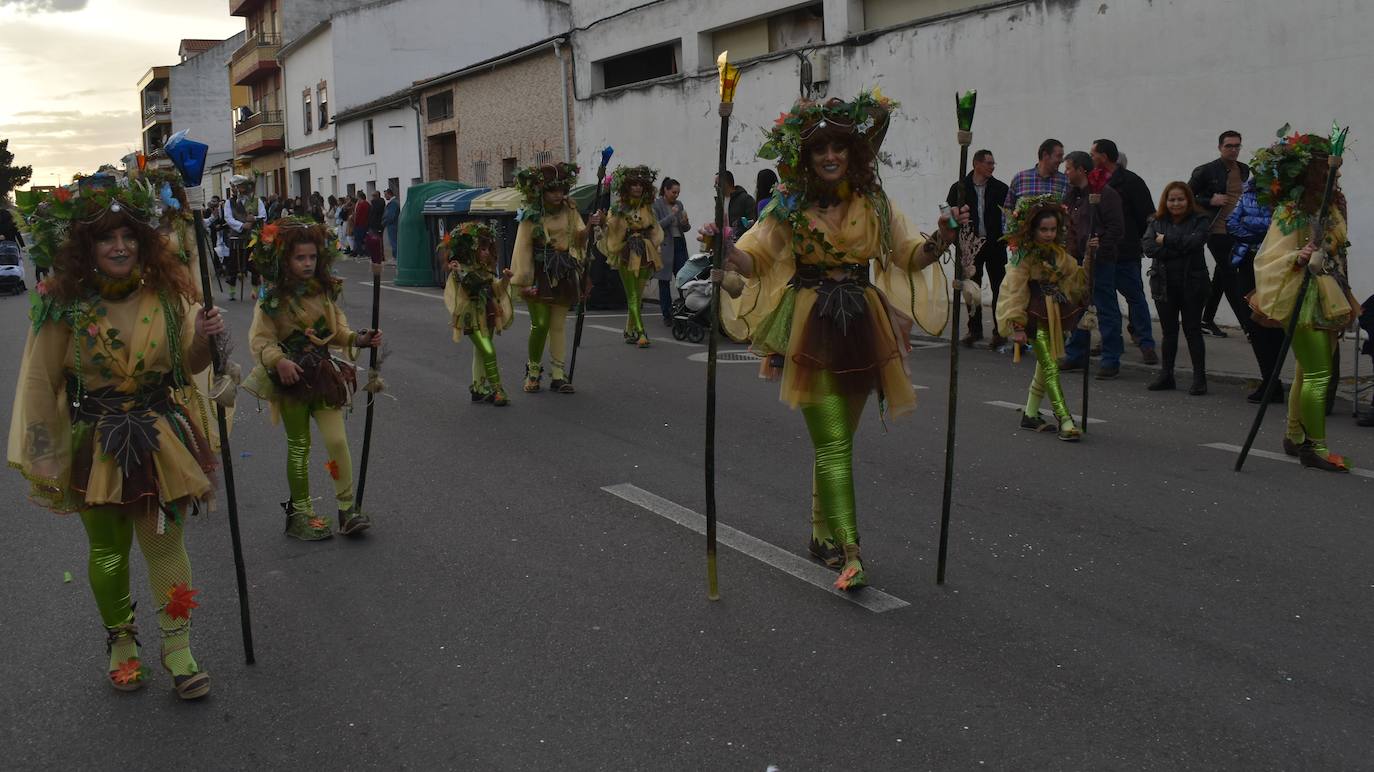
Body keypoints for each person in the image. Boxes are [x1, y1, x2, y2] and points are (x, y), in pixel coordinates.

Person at [710, 91, 962, 591]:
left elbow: (910, 256)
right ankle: (851, 552)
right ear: (806, 156)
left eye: (839, 148)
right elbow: (753, 259)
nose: (830, 157)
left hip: (862, 325)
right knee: (832, 446)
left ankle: (820, 535)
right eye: (820, 149)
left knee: (838, 443)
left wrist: (943, 240)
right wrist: (724, 249)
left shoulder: (873, 204)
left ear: (853, 153)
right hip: (810, 325)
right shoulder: (788, 208)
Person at [9, 173, 223, 699]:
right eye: (107, 237)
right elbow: (41, 380)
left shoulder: (167, 295)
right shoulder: (64, 306)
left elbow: (184, 369)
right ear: (88, 246)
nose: (120, 246)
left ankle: (177, 646)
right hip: (95, 443)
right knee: (108, 552)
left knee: (165, 544)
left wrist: (205, 340)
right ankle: (122, 643)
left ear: (144, 241)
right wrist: (45, 458)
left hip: (159, 436)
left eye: (128, 235)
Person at [242, 217, 383, 537]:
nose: (307, 263)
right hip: (291, 381)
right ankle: (300, 514)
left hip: (322, 375)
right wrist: (279, 362)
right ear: (284, 260)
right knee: (299, 446)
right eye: (299, 257)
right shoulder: (272, 299)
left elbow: (338, 331)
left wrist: (358, 339)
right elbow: (261, 340)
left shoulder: (324, 293)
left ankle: (347, 508)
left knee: (336, 440)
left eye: (311, 257)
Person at [1248, 128, 1359, 472]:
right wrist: (1298, 256)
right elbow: (1268, 258)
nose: (1336, 172)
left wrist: (1346, 291)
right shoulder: (1291, 209)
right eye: (1329, 167)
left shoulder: (1334, 203)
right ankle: (1317, 448)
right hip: (1302, 296)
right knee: (1319, 375)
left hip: (1330, 295)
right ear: (1314, 170)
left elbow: (1340, 253)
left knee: (1306, 370)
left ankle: (1295, 435)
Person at [996, 195, 1089, 440]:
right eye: (1043, 229)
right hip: (1034, 316)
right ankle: (1065, 420)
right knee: (1050, 367)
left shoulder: (1059, 253)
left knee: (1047, 364)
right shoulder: (1023, 257)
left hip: (1056, 316)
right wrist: (1016, 324)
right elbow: (1013, 290)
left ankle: (1030, 414)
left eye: (1052, 229)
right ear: (1032, 229)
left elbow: (1075, 277)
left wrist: (1090, 258)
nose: (1048, 234)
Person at [512, 162, 593, 393]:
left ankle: (558, 374)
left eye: (561, 190)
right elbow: (522, 248)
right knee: (540, 325)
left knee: (558, 325)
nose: (558, 195)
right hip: (538, 273)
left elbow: (578, 238)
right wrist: (524, 282)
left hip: (564, 271)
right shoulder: (531, 214)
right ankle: (534, 370)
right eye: (552, 190)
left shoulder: (570, 209)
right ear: (541, 191)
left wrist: (590, 225)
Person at [1059, 151, 1126, 379]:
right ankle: (1076, 353)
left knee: (1105, 309)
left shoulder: (1105, 195)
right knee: (1077, 307)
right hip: (1076, 261)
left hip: (1101, 261)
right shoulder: (1071, 195)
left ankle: (1111, 358)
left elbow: (1117, 228)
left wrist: (1100, 246)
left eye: (1068, 168)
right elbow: (1068, 225)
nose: (1065, 172)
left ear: (1080, 169)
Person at [1141, 182, 1212, 394]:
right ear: (1166, 201)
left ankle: (1200, 379)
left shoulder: (1200, 219)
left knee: (1193, 331)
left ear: (1188, 200)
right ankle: (1166, 375)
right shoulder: (1156, 220)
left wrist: (1167, 241)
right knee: (1169, 332)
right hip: (1164, 284)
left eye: (1180, 199)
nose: (1176, 203)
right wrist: (1178, 247)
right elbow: (1149, 247)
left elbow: (1196, 243)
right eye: (1172, 199)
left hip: (1193, 284)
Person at [1092, 139, 1157, 364]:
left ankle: (1146, 343)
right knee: (1105, 302)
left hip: (1126, 252)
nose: (1091, 159)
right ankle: (1108, 341)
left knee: (1135, 298)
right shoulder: (1094, 183)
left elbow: (1147, 216)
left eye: (1094, 154)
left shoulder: (1131, 182)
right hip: (1101, 253)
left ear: (1104, 156)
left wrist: (1137, 242)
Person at [442, 221, 514, 406]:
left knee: (481, 352)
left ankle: (478, 388)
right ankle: (498, 389)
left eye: (489, 248)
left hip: (488, 314)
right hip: (471, 317)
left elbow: (496, 290)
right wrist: (460, 272)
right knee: (488, 350)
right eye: (483, 249)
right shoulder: (459, 270)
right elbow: (470, 285)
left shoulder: (486, 270)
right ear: (471, 250)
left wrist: (505, 279)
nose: (487, 252)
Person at [1227, 178, 1285, 402]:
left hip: (1274, 265)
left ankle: (1273, 380)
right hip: (1247, 262)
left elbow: (1279, 230)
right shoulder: (1248, 193)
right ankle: (1270, 381)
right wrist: (1257, 236)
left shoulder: (1285, 199)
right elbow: (1232, 222)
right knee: (1253, 323)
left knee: (1273, 323)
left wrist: (1257, 231)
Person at [1189, 131, 1251, 338]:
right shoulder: (1206, 171)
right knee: (1231, 276)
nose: (1233, 150)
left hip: (1238, 230)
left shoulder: (1243, 169)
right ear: (1220, 147)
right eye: (1229, 146)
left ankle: (1206, 319)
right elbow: (1186, 195)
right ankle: (1249, 327)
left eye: (1237, 146)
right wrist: (1209, 201)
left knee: (1222, 276)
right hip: (1216, 230)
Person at [946, 148, 1009, 348]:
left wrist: (1005, 239)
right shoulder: (959, 188)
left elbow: (1007, 215)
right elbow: (949, 214)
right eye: (989, 163)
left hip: (994, 245)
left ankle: (1000, 330)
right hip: (970, 247)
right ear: (976, 164)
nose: (992, 167)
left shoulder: (1000, 188)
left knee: (1000, 287)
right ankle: (974, 329)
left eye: (993, 164)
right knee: (971, 289)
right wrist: (958, 238)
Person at [599, 165, 664, 348]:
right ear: (627, 187)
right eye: (633, 184)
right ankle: (641, 332)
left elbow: (654, 228)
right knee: (633, 295)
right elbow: (612, 228)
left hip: (645, 251)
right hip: (627, 252)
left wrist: (653, 243)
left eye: (640, 184)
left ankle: (629, 330)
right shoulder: (618, 208)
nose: (637, 187)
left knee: (638, 294)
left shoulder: (647, 207)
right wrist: (604, 222)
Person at [652, 177, 690, 324]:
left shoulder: (679, 204)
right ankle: (667, 314)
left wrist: (685, 223)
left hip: (679, 243)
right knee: (664, 280)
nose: (676, 195)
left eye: (678, 193)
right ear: (666, 190)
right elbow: (656, 226)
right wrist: (672, 215)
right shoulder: (657, 205)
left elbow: (684, 228)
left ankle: (684, 309)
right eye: (673, 192)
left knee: (683, 278)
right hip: (665, 245)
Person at [223, 174, 266, 300]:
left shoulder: (256, 201)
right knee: (233, 265)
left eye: (238, 187)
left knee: (254, 264)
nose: (235, 190)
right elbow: (228, 218)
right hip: (236, 237)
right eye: (233, 188)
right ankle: (232, 291)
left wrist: (254, 219)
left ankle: (255, 290)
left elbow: (264, 216)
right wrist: (242, 225)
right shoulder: (229, 203)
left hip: (253, 238)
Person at [1005, 138, 1068, 209]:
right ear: (1045, 155)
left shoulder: (1065, 181)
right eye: (1059, 156)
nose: (1062, 160)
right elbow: (1008, 209)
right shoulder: (1020, 179)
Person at [382, 189, 400, 263]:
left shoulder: (393, 203)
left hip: (392, 225)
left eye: (386, 195)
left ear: (389, 194)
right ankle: (395, 257)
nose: (385, 196)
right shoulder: (395, 202)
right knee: (394, 241)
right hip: (394, 224)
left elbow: (391, 216)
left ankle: (396, 258)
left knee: (393, 241)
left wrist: (385, 221)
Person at [351, 192, 371, 261]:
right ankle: (365, 253)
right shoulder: (366, 204)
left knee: (358, 239)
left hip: (360, 224)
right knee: (363, 239)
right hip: (364, 224)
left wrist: (355, 222)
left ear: (360, 197)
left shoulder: (362, 205)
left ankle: (361, 253)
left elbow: (358, 215)